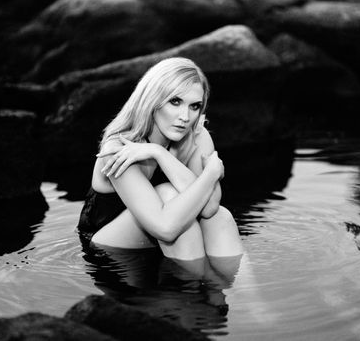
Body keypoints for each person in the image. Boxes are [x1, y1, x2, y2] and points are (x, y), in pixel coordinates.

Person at [78, 57, 243, 261]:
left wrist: (160, 153)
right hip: (111, 252)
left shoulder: (196, 135)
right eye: (175, 102)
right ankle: (195, 290)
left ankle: (240, 292)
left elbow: (209, 208)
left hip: (166, 239)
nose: (185, 116)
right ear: (153, 100)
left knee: (221, 217)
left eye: (195, 106)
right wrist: (211, 174)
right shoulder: (119, 148)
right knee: (167, 193)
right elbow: (165, 229)